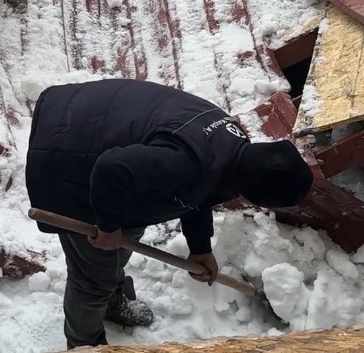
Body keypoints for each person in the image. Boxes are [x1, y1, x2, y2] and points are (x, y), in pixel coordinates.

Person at [25, 79, 314, 348]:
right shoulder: (186, 163)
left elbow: (200, 190)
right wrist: (109, 225)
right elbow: (111, 169)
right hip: (66, 152)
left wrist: (200, 247)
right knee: (92, 278)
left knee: (124, 234)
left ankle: (111, 303)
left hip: (97, 124)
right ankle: (84, 347)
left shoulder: (234, 148)